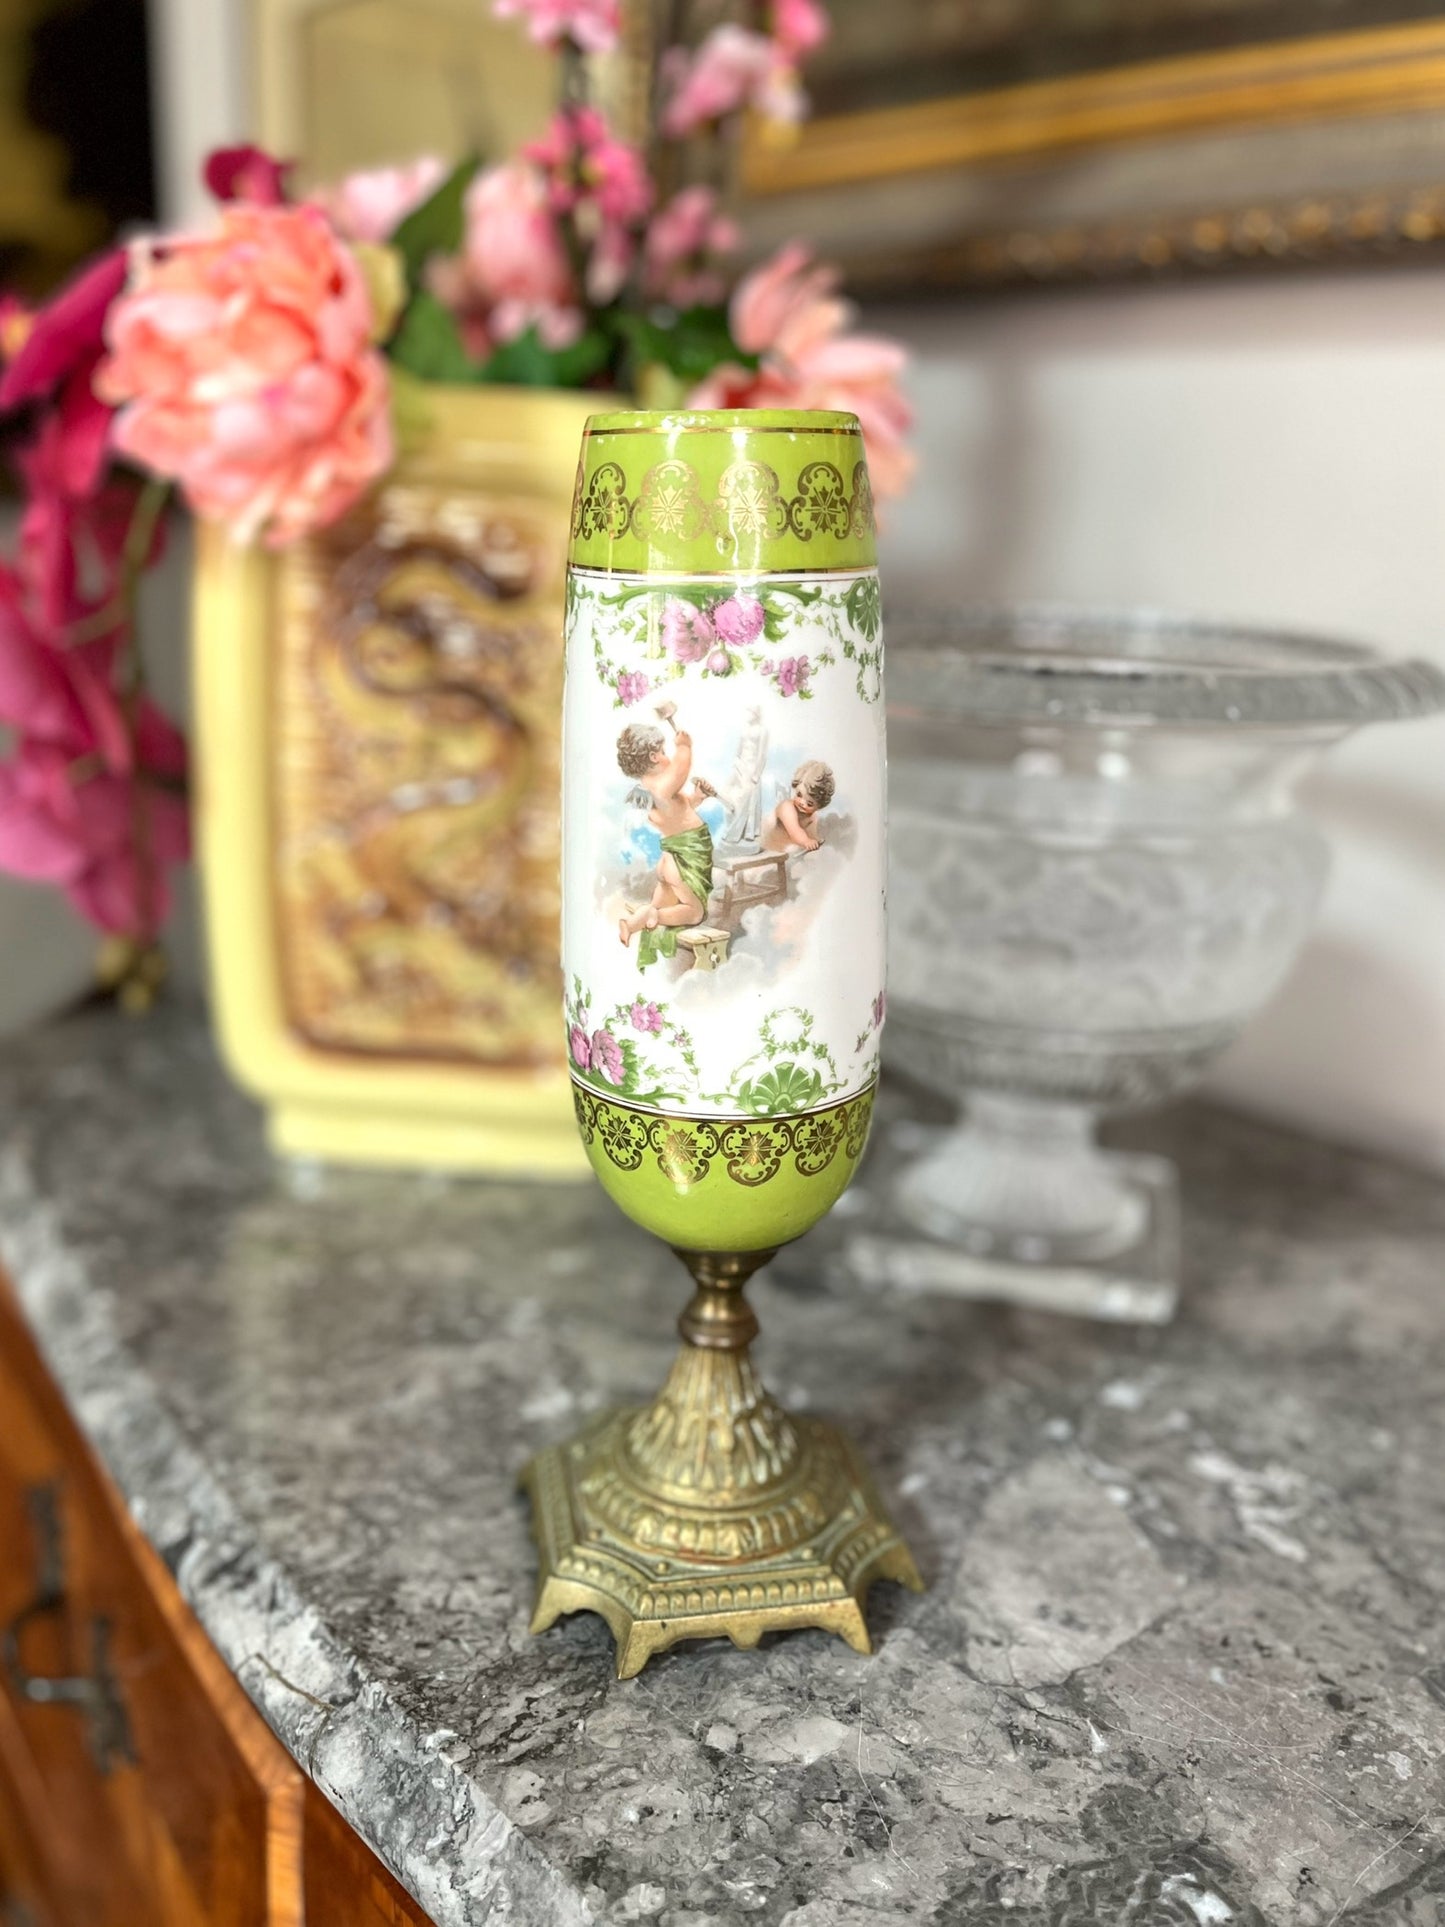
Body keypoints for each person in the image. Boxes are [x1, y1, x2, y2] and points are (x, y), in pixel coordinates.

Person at [615, 712, 716, 967]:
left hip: (670, 861)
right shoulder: (661, 788)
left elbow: (679, 813)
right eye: (663, 751)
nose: (666, 755)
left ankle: (631, 924)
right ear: (654, 757)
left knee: (662, 904)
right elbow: (680, 771)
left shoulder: (652, 793)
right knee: (694, 912)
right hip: (683, 860)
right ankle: (653, 917)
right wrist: (684, 747)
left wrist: (697, 798)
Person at [762, 759, 835, 854]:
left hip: (785, 851)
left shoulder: (812, 818)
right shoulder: (786, 808)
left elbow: (811, 836)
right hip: (766, 847)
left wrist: (814, 842)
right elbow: (795, 831)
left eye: (809, 803)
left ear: (819, 806)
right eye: (799, 795)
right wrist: (806, 841)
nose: (802, 803)